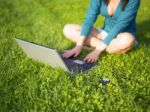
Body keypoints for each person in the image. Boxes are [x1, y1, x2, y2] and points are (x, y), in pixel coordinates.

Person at [62, 0, 141, 63]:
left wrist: (97, 51)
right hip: (104, 33)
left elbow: (120, 25)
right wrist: (78, 46)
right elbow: (89, 18)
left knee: (127, 40)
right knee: (68, 29)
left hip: (121, 37)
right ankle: (109, 48)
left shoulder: (133, 1)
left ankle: (95, 46)